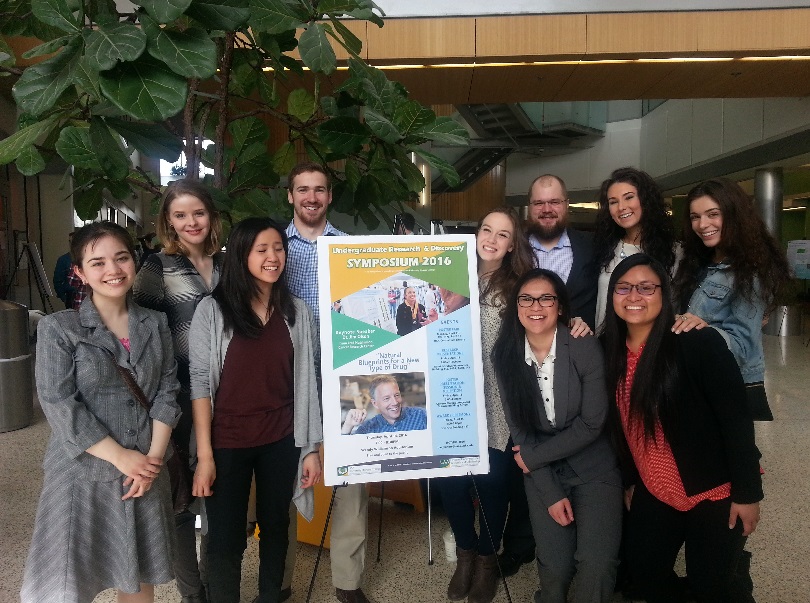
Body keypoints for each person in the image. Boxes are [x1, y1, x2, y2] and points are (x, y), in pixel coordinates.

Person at [22, 222, 181, 603]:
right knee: (67, 585)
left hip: (144, 475)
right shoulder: (60, 329)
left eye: (121, 258)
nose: (113, 270)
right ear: (79, 272)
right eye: (98, 262)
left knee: (139, 580)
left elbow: (167, 391)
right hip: (83, 474)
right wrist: (122, 457)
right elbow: (59, 403)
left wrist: (152, 461)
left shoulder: (155, 322)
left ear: (135, 262)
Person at [603, 253, 763, 603]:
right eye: (624, 288)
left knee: (712, 587)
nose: (634, 297)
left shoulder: (695, 342)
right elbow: (622, 429)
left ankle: (735, 576)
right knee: (644, 573)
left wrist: (748, 493)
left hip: (712, 487)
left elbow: (736, 420)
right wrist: (631, 479)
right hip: (655, 486)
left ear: (664, 293)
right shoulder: (608, 350)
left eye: (646, 288)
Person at [189, 217, 322, 603]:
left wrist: (311, 448)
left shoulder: (297, 312)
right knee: (225, 537)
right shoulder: (213, 311)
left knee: (276, 527)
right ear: (242, 255)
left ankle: (270, 596)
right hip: (227, 440)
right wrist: (204, 457)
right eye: (261, 250)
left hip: (282, 437)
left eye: (278, 248)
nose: (273, 257)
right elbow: (199, 385)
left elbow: (308, 382)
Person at [492, 268, 622, 603]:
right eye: (526, 298)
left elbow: (592, 424)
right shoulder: (505, 355)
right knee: (556, 568)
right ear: (516, 306)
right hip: (543, 476)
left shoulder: (582, 346)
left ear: (560, 307)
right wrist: (549, 491)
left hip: (593, 468)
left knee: (595, 564)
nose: (536, 305)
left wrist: (532, 458)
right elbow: (521, 431)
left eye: (546, 298)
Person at [435, 207, 535, 603]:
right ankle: (464, 555)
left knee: (493, 484)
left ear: (513, 245)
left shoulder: (518, 287)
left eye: (503, 234)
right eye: (486, 229)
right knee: (451, 481)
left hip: (496, 398)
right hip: (449, 397)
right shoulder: (448, 276)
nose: (491, 239)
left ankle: (487, 559)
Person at [283, 162, 372, 603]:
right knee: (283, 476)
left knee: (352, 481)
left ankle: (347, 581)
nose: (311, 197)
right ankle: (276, 580)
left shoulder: (351, 250)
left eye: (319, 190)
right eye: (303, 190)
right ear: (291, 197)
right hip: (288, 381)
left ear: (329, 197)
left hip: (346, 378)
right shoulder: (272, 248)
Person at [133, 179, 224, 603]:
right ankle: (193, 594)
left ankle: (215, 581)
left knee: (220, 496)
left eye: (198, 213)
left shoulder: (230, 263)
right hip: (178, 397)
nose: (191, 222)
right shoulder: (157, 268)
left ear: (212, 215)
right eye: (180, 215)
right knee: (183, 501)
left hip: (229, 397)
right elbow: (145, 337)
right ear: (168, 222)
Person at [672, 178, 791, 421]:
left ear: (734, 214)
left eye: (712, 214)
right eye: (695, 217)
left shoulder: (751, 270)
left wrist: (703, 331)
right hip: (690, 376)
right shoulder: (698, 261)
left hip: (725, 384)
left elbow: (744, 344)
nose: (703, 224)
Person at [592, 167, 678, 332]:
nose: (621, 207)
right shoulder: (604, 249)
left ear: (645, 200)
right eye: (613, 202)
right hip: (606, 345)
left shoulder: (674, 252)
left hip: (654, 348)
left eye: (629, 197)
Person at [525, 174, 598, 331]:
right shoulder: (513, 248)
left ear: (567, 204)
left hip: (578, 349)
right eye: (539, 203)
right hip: (523, 349)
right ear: (530, 207)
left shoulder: (593, 246)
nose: (546, 209)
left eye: (554, 202)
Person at [341, 375, 427, 435]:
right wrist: (348, 425)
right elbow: (347, 454)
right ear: (375, 403)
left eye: (397, 395)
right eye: (386, 398)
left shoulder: (421, 415)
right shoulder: (367, 429)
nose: (395, 402)